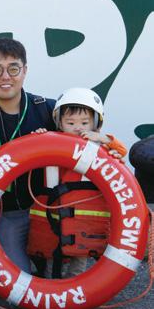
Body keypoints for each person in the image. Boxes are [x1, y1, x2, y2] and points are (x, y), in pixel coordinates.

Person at [0, 38, 56, 274]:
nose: (5, 76)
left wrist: (102, 138)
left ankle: (43, 259)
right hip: (6, 215)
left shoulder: (48, 109)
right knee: (17, 279)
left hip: (46, 212)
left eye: (13, 68)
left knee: (55, 276)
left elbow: (85, 134)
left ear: (24, 71)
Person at [30, 87, 127, 278]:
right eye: (70, 122)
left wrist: (104, 139)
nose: (78, 127)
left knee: (77, 268)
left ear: (95, 123)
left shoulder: (100, 146)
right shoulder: (50, 141)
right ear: (59, 122)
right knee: (50, 265)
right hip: (52, 221)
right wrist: (39, 136)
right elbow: (28, 151)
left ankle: (73, 296)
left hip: (83, 225)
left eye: (85, 122)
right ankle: (48, 294)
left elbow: (122, 150)